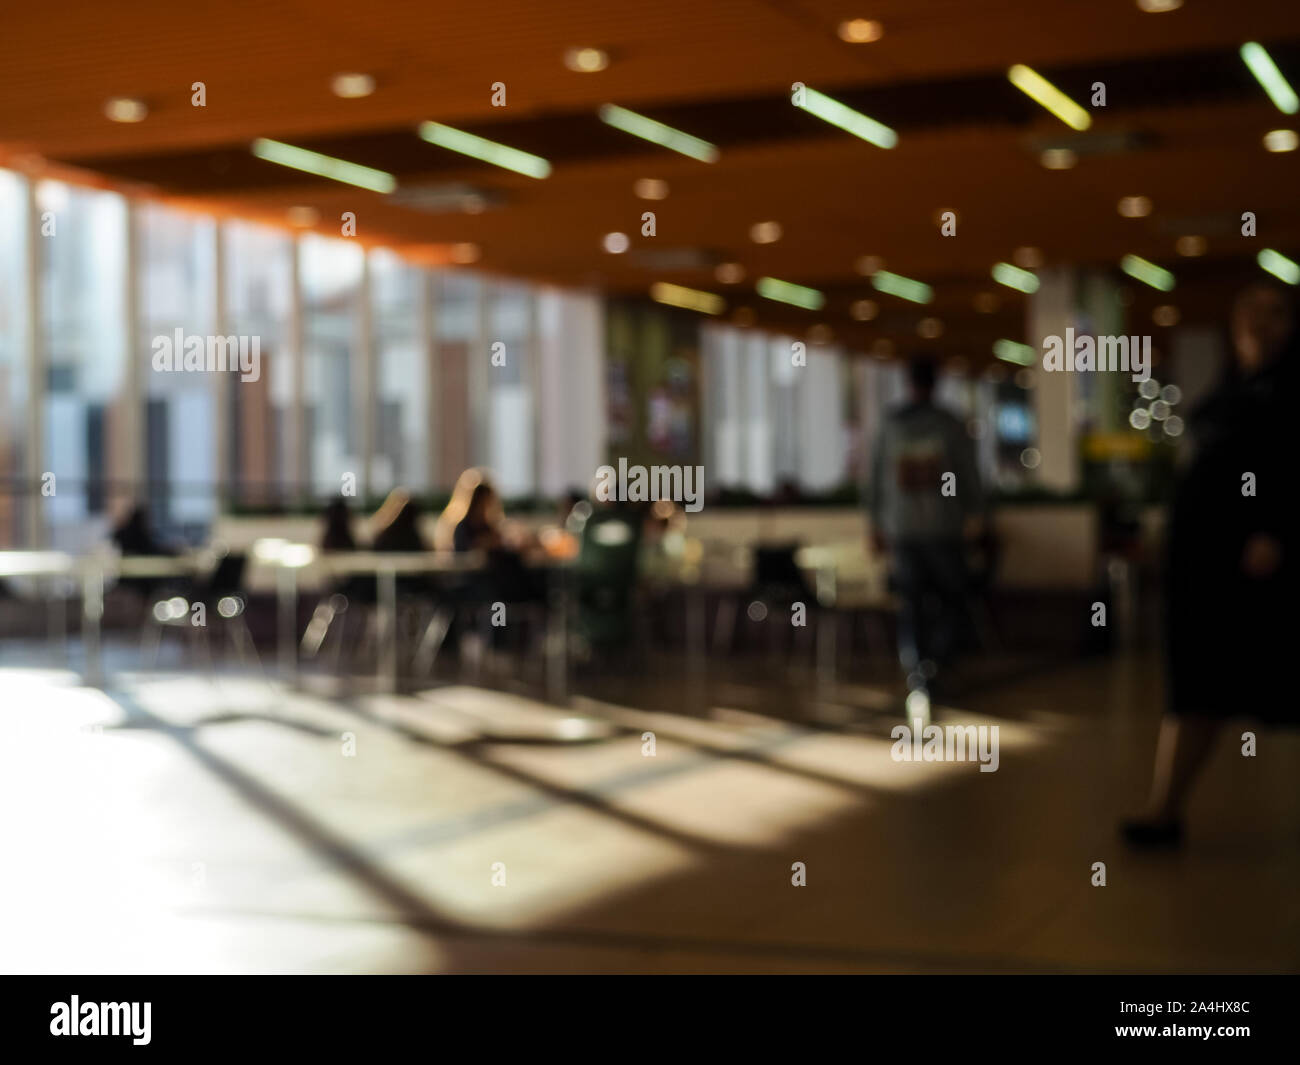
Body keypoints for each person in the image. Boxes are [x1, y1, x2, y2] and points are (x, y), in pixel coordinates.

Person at [1122, 281, 1298, 849]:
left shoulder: (1291, 389)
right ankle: (1164, 809)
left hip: (1263, 565)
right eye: (1248, 309)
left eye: (1274, 313)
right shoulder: (1232, 387)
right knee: (1197, 686)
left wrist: (1275, 529)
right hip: (1207, 565)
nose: (1258, 323)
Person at [868, 356, 985, 704]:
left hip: (902, 529)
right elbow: (968, 474)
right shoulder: (949, 424)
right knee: (952, 596)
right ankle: (939, 660)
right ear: (937, 383)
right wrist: (976, 515)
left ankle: (918, 665)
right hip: (943, 527)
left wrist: (874, 523)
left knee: (912, 601)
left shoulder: (891, 425)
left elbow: (873, 477)